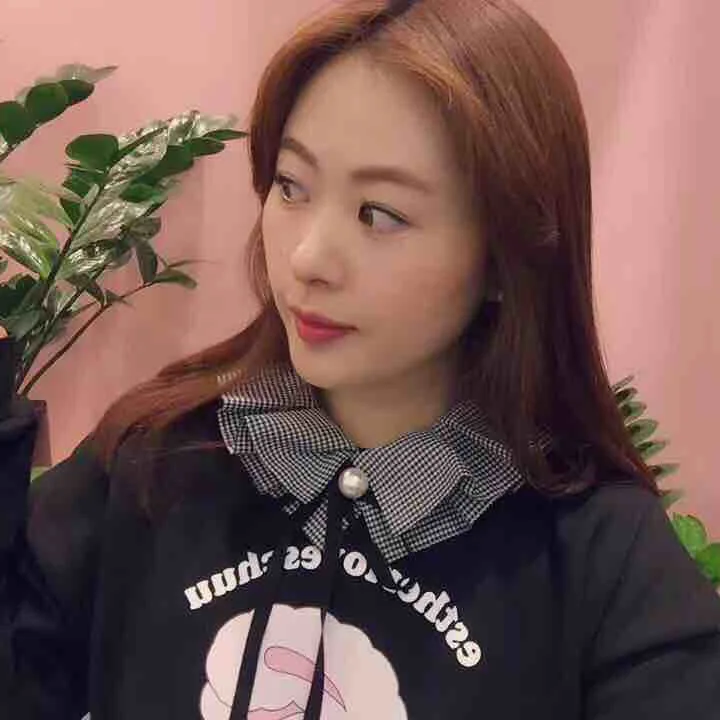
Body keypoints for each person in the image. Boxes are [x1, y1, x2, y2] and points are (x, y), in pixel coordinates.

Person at [2, 0, 719, 717]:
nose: (308, 258)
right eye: (292, 186)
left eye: (380, 214)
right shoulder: (151, 464)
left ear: (507, 258)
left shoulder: (601, 558)